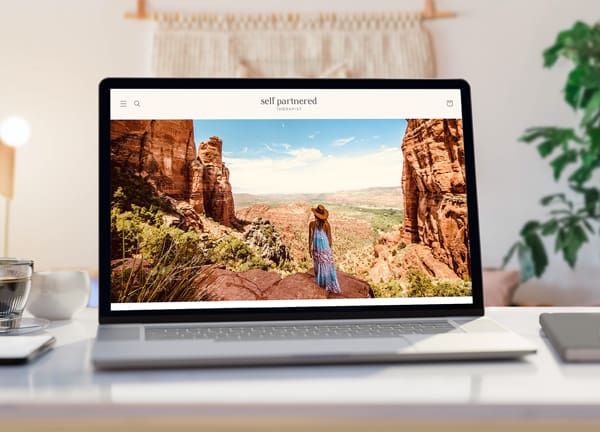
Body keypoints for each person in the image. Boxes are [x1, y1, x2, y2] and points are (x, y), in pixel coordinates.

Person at [308, 204, 341, 294]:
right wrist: (309, 249)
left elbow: (329, 238)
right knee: (319, 263)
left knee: (323, 264)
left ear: (315, 215)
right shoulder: (313, 224)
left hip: (322, 248)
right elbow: (311, 237)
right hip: (319, 248)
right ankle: (322, 283)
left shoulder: (325, 225)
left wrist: (328, 251)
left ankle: (326, 284)